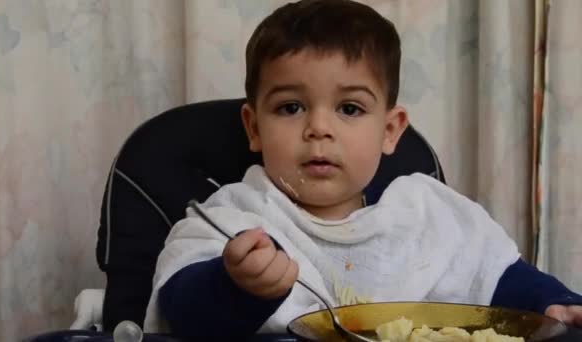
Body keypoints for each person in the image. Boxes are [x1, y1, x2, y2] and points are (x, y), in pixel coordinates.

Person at [143, 0, 582, 339]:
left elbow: (499, 279)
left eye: (349, 108)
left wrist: (553, 302)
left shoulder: (424, 215)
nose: (318, 129)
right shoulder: (233, 220)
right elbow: (181, 312)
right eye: (290, 107)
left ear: (390, 131)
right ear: (254, 128)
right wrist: (236, 285)